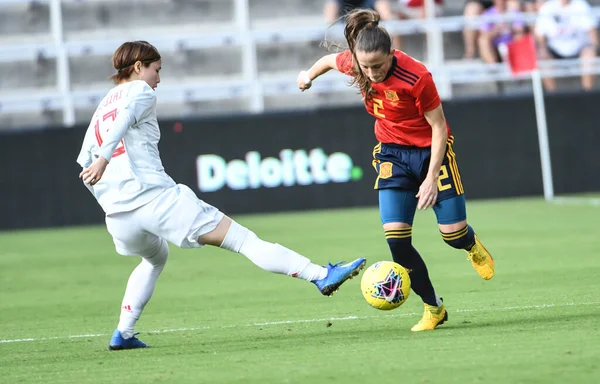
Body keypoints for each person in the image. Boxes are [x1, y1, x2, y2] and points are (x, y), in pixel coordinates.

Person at [76, 41, 366, 351]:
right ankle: (321, 275)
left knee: (154, 258)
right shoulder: (139, 90)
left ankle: (123, 333)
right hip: (156, 199)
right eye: (156, 70)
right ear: (138, 67)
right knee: (243, 240)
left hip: (118, 215)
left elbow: (84, 165)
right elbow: (121, 124)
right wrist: (105, 158)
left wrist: (109, 194)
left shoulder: (102, 106)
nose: (158, 79)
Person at [296, 9, 494, 332]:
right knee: (397, 240)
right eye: (365, 66)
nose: (371, 73)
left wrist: (430, 178)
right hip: (392, 154)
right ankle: (434, 307)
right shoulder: (356, 63)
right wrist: (307, 76)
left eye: (378, 65)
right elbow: (328, 62)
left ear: (391, 55)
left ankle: (469, 244)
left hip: (432, 151)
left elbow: (439, 128)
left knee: (452, 235)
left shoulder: (417, 78)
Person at [535, 0, 598, 91]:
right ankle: (552, 98)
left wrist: (594, 48)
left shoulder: (580, 5)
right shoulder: (547, 8)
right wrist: (542, 49)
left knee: (590, 54)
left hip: (579, 49)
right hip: (554, 51)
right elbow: (540, 36)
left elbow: (592, 32)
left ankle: (587, 95)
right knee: (542, 56)